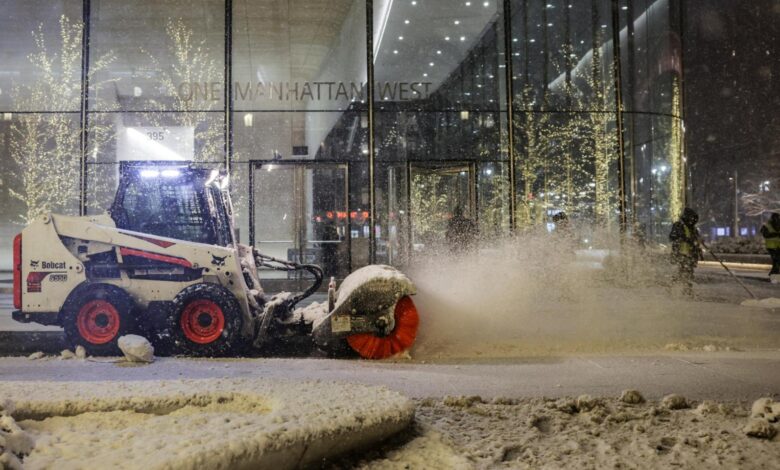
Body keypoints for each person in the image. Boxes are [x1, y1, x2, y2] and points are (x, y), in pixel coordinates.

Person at [669, 207, 702, 296]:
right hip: (681, 254)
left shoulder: (693, 229)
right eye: (691, 218)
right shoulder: (678, 226)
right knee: (682, 273)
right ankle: (675, 288)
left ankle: (686, 290)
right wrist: (685, 239)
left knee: (688, 274)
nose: (692, 221)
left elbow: (697, 242)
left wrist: (698, 250)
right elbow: (672, 236)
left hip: (690, 256)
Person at [760, 212, 780, 283]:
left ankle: (773, 275)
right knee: (777, 261)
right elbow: (766, 235)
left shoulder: (777, 224)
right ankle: (774, 277)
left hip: (778, 246)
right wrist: (776, 234)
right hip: (771, 247)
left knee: (776, 262)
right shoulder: (767, 225)